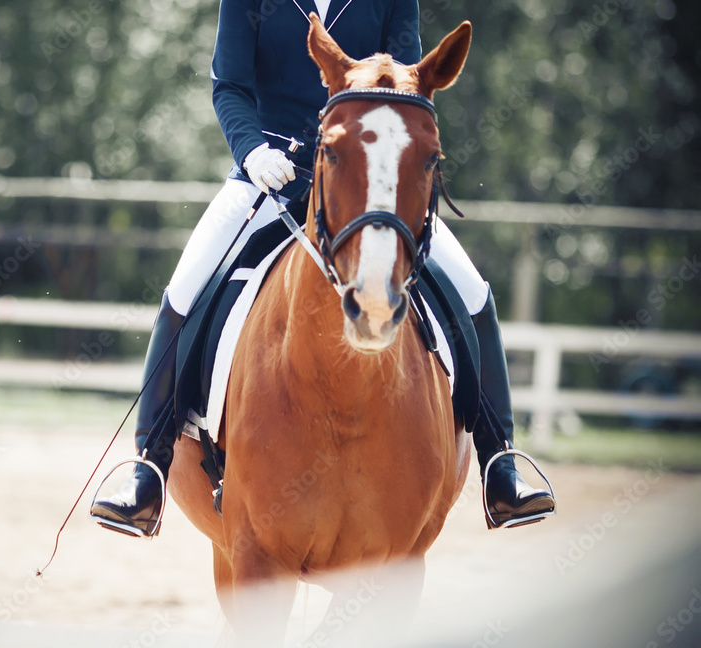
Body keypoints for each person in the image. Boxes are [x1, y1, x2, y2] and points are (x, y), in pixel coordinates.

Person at [91, 0, 555, 533]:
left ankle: (500, 463)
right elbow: (230, 87)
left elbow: (405, 84)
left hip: (366, 181)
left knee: (472, 293)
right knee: (185, 288)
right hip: (270, 172)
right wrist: (252, 152)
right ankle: (149, 467)